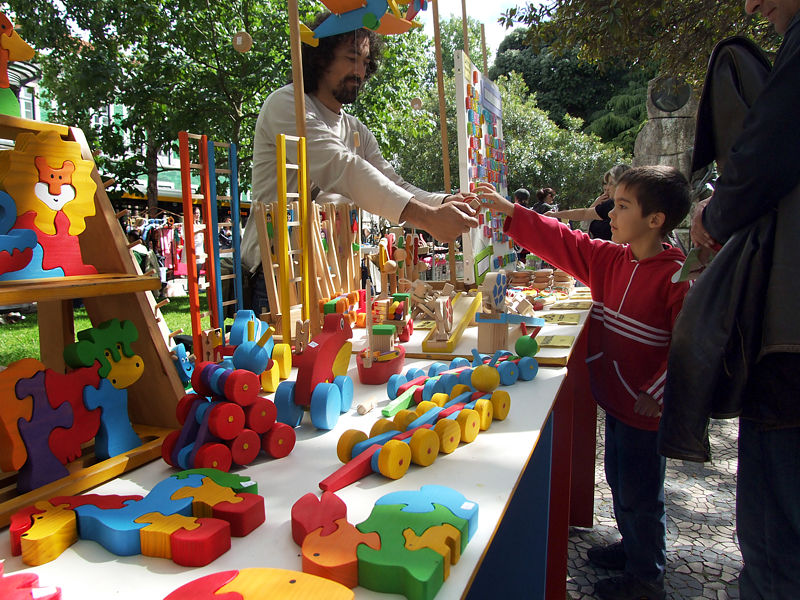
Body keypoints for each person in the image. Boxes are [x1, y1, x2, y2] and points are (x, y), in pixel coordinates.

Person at [475, 166, 692, 600]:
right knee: (618, 478)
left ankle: (646, 576)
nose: (611, 212)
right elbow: (565, 241)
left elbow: (689, 348)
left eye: (623, 205)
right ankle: (633, 547)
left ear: (656, 220)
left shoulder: (677, 278)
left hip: (647, 411)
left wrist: (657, 393)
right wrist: (510, 211)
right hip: (616, 401)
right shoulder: (611, 259)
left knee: (642, 492)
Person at [663, 1, 800, 597]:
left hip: (788, 357)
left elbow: (765, 154)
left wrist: (715, 215)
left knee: (775, 547)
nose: (750, 4)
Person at [240, 13, 478, 311]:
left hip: (331, 271)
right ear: (319, 57)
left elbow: (394, 184)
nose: (360, 72)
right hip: (279, 274)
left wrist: (444, 202)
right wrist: (428, 218)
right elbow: (343, 169)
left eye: (365, 63)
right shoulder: (287, 104)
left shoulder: (355, 129)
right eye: (352, 58)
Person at [547, 164, 631, 239]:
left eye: (611, 183)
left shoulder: (632, 206)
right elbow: (584, 214)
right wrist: (554, 215)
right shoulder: (609, 204)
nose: (608, 188)